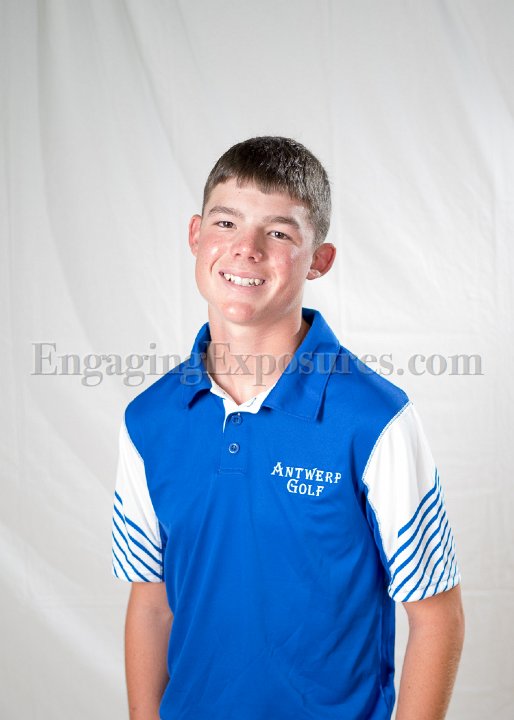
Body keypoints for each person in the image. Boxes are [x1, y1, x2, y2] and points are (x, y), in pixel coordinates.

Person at [111, 136, 464, 720]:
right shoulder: (148, 420)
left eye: (278, 232)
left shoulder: (376, 419)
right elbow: (151, 603)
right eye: (226, 222)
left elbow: (435, 617)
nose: (245, 249)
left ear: (319, 260)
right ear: (196, 235)